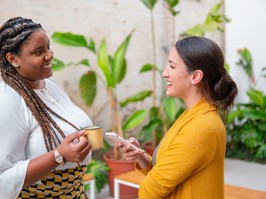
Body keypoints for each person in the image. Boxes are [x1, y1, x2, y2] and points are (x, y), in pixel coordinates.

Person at [118, 36, 238, 199]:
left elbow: (150, 190)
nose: (164, 73)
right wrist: (140, 156)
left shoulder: (201, 127)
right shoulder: (194, 115)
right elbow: (167, 173)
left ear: (195, 76)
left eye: (172, 67)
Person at [0, 17, 93, 199]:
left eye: (48, 47)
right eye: (38, 52)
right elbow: (3, 178)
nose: (49, 55)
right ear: (13, 59)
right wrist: (59, 156)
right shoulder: (8, 99)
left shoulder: (49, 84)